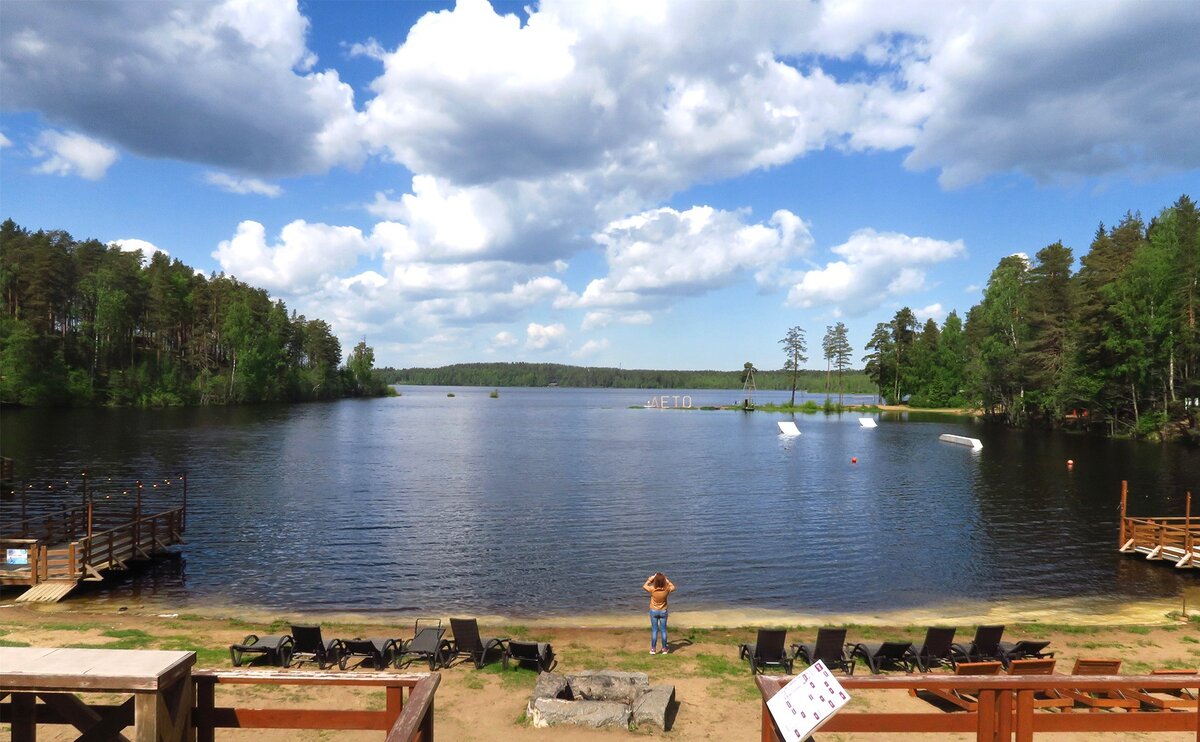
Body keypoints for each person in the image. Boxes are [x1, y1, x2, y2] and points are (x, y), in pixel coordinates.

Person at [642, 572, 675, 654]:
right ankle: (664, 649)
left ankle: (653, 649)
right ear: (664, 581)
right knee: (663, 630)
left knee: (654, 630)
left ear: (655, 581)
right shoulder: (666, 589)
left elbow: (644, 586)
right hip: (663, 611)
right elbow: (673, 587)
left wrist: (650, 579)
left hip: (653, 611)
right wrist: (667, 580)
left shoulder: (652, 589)